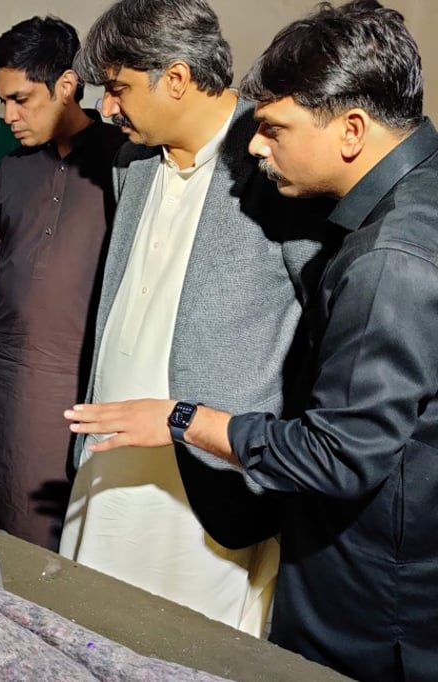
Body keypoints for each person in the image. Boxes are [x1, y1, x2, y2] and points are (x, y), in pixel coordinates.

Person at [67, 1, 438, 678]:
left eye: (118, 88)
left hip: (260, 503)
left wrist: (198, 422)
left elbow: (334, 415)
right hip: (137, 451)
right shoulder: (132, 165)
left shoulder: (358, 231)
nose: (258, 148)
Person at [57, 0, 335, 636]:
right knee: (84, 627)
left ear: (175, 79)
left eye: (119, 88)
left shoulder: (275, 161)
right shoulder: (132, 162)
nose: (106, 108)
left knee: (178, 644)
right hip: (112, 454)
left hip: (210, 478)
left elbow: (322, 328)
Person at [0, 17, 125, 550]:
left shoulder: (123, 163)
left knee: (48, 539)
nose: (9, 116)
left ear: (66, 86)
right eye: (3, 100)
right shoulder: (13, 170)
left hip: (69, 388)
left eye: (20, 99)